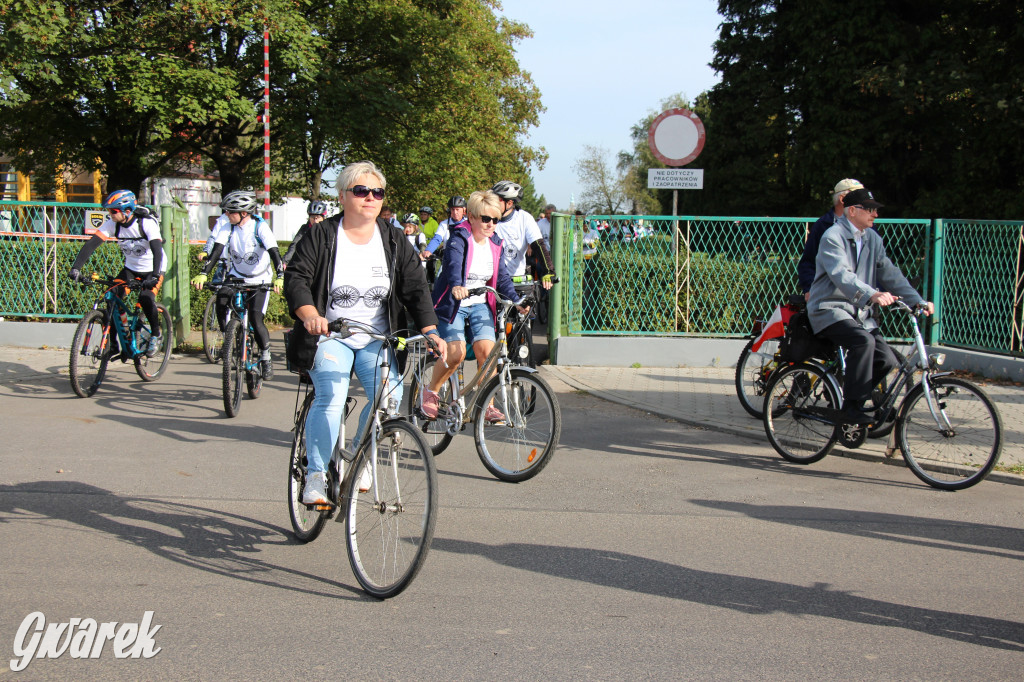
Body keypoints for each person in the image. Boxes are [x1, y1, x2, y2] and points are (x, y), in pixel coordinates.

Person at [284, 160, 447, 506]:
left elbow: (416, 287)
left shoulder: (392, 237)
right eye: (361, 191)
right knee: (333, 393)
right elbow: (296, 277)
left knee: (388, 398)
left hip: (378, 338)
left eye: (377, 192)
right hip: (331, 336)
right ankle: (315, 475)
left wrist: (430, 330)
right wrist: (310, 314)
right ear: (343, 196)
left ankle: (360, 456)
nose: (370, 198)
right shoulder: (323, 235)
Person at [808, 187, 933, 425]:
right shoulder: (832, 236)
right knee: (863, 342)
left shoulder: (872, 238)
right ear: (852, 210)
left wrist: (917, 300)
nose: (875, 214)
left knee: (887, 359)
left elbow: (891, 274)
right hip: (829, 309)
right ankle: (851, 408)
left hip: (858, 313)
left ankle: (852, 391)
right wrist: (872, 294)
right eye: (870, 209)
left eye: (875, 210)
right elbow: (841, 275)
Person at [421, 190, 524, 423]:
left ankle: (486, 404)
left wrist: (517, 301)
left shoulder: (496, 243)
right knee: (455, 353)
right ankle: (432, 392)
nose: (490, 224)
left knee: (488, 353)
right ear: (473, 217)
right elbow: (453, 265)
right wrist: (457, 285)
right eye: (486, 219)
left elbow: (502, 278)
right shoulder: (459, 238)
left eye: (495, 220)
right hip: (454, 303)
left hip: (480, 303)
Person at [190, 190, 283, 380]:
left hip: (260, 279)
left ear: (244, 213)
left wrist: (280, 275)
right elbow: (216, 251)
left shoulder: (260, 227)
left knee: (257, 322)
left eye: (230, 211)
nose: (226, 214)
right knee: (222, 299)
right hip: (236, 275)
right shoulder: (228, 226)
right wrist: (203, 273)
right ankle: (230, 337)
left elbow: (274, 253)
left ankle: (265, 357)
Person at [68, 189, 166, 357]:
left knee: (145, 298)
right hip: (131, 268)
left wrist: (155, 277)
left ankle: (156, 334)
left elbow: (157, 251)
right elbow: (91, 245)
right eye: (109, 211)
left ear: (127, 211)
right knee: (112, 298)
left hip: (153, 268)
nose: (110, 214)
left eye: (113, 211)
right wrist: (76, 268)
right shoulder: (112, 224)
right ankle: (113, 344)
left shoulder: (146, 223)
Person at [797, 178, 864, 299]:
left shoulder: (868, 227)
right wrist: (809, 289)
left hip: (863, 297)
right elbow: (808, 261)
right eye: (858, 196)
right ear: (842, 199)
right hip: (829, 298)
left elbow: (879, 264)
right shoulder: (822, 225)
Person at [491, 180, 557, 289]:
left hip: (516, 280)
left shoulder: (524, 218)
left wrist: (548, 271)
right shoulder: (488, 219)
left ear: (510, 203)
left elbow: (538, 245)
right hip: (492, 280)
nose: (492, 204)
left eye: (497, 200)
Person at [422, 196, 467, 281]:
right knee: (439, 280)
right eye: (452, 209)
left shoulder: (468, 223)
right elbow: (437, 238)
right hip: (448, 258)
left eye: (458, 209)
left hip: (465, 258)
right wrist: (429, 250)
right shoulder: (444, 224)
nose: (455, 212)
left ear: (464, 210)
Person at [282, 200, 329, 269]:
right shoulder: (304, 229)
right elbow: (295, 245)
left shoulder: (328, 230)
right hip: (307, 263)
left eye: (318, 217)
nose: (315, 221)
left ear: (323, 218)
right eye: (313, 217)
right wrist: (285, 261)